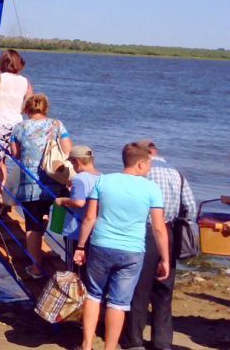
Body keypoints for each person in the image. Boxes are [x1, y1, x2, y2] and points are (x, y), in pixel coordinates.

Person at [74, 141, 170, 350]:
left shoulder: (103, 181)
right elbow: (159, 228)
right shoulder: (152, 188)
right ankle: (109, 347)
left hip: (101, 244)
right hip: (132, 250)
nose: (150, 169)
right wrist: (165, 258)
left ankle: (87, 344)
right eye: (149, 165)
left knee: (93, 294)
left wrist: (81, 247)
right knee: (118, 303)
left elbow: (90, 218)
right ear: (141, 164)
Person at [120, 139, 196, 350]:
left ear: (145, 155)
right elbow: (189, 207)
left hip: (143, 231)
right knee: (164, 289)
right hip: (169, 231)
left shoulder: (142, 173)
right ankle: (162, 342)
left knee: (139, 289)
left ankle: (133, 339)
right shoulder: (177, 174)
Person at [10, 93, 72, 279]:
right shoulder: (56, 125)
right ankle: (65, 262)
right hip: (53, 181)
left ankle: (36, 267)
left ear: (27, 108)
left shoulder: (19, 127)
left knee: (32, 225)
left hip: (30, 183)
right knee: (48, 215)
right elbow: (68, 150)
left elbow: (14, 153)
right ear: (46, 108)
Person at [0, 49, 33, 196]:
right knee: (4, 160)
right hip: (17, 124)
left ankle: (4, 190)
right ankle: (3, 191)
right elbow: (29, 104)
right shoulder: (25, 82)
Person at [54, 145, 101, 272]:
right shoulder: (102, 178)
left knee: (72, 268)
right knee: (88, 268)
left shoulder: (79, 179)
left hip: (75, 231)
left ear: (77, 162)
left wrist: (62, 200)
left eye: (72, 163)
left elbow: (79, 202)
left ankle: (72, 291)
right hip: (93, 231)